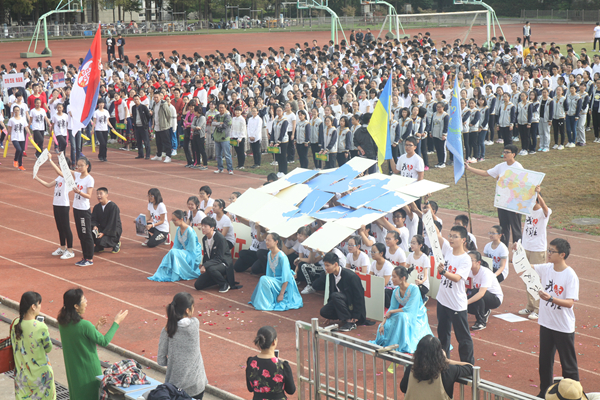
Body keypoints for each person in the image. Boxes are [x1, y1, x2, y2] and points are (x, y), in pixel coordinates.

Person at [58, 288, 128, 400]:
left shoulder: (62, 323)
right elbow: (104, 341)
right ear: (76, 306)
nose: (86, 302)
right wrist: (117, 322)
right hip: (89, 372)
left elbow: (80, 339)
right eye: (84, 299)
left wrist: (95, 329)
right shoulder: (85, 325)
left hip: (74, 373)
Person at [535, 238, 580, 398]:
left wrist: (550, 298)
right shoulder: (547, 268)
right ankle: (544, 392)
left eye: (551, 251)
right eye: (548, 250)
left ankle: (574, 394)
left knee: (568, 365)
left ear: (562, 255)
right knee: (545, 362)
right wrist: (516, 253)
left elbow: (569, 303)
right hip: (547, 323)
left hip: (563, 326)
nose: (548, 254)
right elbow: (526, 269)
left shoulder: (570, 276)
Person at [464, 144, 523, 247]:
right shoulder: (501, 166)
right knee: (503, 228)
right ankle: (503, 250)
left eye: (507, 152)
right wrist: (469, 168)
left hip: (514, 202)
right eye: (503, 152)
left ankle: (518, 253)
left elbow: (522, 185)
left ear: (513, 154)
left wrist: (519, 205)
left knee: (515, 229)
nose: (504, 154)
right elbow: (486, 173)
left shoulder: (518, 167)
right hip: (502, 201)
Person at [434, 223, 475, 364]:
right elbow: (437, 235)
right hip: (442, 300)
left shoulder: (466, 259)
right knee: (443, 334)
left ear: (463, 240)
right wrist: (427, 213)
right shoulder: (448, 250)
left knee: (463, 337)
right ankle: (443, 362)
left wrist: (443, 272)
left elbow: (457, 278)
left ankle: (468, 365)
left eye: (455, 236)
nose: (451, 239)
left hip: (456, 304)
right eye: (450, 236)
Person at [369, 267, 433, 353]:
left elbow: (409, 309)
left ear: (402, 278)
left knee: (402, 317)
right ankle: (394, 343)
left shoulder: (414, 289)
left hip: (417, 315)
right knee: (388, 323)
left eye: (394, 277)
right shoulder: (395, 291)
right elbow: (392, 308)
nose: (392, 279)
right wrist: (382, 324)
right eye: (392, 276)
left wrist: (391, 312)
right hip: (404, 313)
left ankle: (402, 343)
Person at [48, 154, 95, 267]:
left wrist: (79, 192)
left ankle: (89, 258)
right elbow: (62, 172)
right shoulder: (77, 175)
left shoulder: (90, 179)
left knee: (86, 234)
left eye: (81, 165)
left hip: (84, 210)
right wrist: (57, 159)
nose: (79, 167)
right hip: (76, 208)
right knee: (80, 234)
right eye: (78, 165)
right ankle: (84, 257)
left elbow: (89, 196)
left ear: (87, 166)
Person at [158, 292, 207, 399]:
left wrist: (173, 364)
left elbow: (161, 360)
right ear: (187, 310)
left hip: (175, 387)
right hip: (197, 384)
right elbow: (185, 323)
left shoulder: (167, 330)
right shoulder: (195, 324)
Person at [10, 291, 55, 400]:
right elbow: (48, 348)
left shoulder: (15, 323)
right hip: (41, 377)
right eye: (39, 304)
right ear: (33, 307)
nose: (40, 307)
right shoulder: (41, 327)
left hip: (22, 377)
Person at [400, 335, 473, 400]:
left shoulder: (411, 369)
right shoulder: (447, 370)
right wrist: (446, 360)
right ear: (439, 353)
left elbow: (403, 388)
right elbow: (470, 367)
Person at [518, 185, 552, 320]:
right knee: (527, 277)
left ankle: (538, 308)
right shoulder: (527, 211)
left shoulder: (545, 212)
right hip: (526, 247)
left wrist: (537, 194)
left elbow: (545, 208)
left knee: (536, 279)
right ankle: (530, 306)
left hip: (538, 249)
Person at [249, 232, 303, 311]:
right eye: (266, 240)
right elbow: (269, 272)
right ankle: (268, 300)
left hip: (283, 281)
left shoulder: (282, 256)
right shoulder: (269, 254)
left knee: (263, 279)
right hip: (275, 281)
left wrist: (281, 294)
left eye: (269, 240)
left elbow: (286, 276)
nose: (266, 242)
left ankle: (267, 303)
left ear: (276, 242)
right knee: (264, 279)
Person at [34, 157, 75, 260]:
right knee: (60, 227)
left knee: (66, 228)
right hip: (56, 204)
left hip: (64, 205)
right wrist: (37, 177)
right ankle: (62, 247)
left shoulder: (67, 176)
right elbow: (48, 185)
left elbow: (59, 172)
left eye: (60, 164)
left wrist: (50, 160)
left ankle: (70, 250)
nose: (58, 166)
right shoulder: (59, 178)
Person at [149, 210, 203, 282]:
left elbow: (192, 250)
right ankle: (168, 272)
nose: (173, 222)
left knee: (173, 252)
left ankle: (176, 273)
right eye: (172, 220)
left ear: (181, 219)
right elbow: (176, 246)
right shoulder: (178, 229)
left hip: (193, 255)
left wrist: (179, 252)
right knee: (171, 252)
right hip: (185, 252)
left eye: (175, 220)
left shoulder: (190, 231)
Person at [320, 252, 367, 332]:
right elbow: (331, 292)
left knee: (335, 295)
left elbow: (359, 296)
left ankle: (350, 322)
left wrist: (356, 315)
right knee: (324, 311)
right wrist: (329, 316)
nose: (326, 268)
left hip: (352, 305)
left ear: (335, 264)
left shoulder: (351, 276)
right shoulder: (331, 275)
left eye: (327, 265)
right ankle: (344, 317)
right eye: (325, 265)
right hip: (341, 302)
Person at [246, 326, 296, 399]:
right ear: (274, 342)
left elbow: (250, 388)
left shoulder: (251, 362)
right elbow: (291, 390)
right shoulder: (282, 365)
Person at [194, 217, 235, 293]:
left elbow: (219, 258)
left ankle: (224, 284)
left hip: (223, 263)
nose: (202, 228)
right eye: (202, 225)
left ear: (212, 228)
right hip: (212, 264)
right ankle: (218, 280)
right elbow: (206, 256)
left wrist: (205, 266)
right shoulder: (204, 239)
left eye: (205, 226)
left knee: (211, 269)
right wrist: (204, 265)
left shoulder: (220, 238)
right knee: (198, 285)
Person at [466, 251, 503, 331]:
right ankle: (485, 311)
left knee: (476, 292)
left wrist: (466, 302)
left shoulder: (485, 273)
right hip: (479, 295)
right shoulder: (468, 271)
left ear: (478, 262)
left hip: (494, 299)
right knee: (462, 303)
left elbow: (481, 293)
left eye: (470, 260)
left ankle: (481, 322)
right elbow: (465, 288)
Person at [90, 187, 122, 254]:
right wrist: (94, 226)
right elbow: (93, 219)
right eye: (97, 194)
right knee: (89, 230)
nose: (99, 196)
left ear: (107, 195)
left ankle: (115, 243)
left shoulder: (113, 207)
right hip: (102, 228)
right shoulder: (97, 207)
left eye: (101, 194)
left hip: (112, 230)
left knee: (102, 241)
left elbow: (112, 222)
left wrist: (104, 233)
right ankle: (99, 247)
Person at [407, 235, 431, 303]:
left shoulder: (425, 258)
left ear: (420, 245)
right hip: (412, 282)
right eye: (411, 243)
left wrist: (421, 281)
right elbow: (406, 267)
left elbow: (426, 276)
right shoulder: (410, 255)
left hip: (422, 284)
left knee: (413, 298)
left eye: (414, 243)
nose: (411, 245)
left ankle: (423, 297)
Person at [151, 91, 172, 162]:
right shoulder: (154, 104)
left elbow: (168, 115)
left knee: (166, 142)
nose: (156, 98)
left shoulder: (164, 104)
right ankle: (159, 155)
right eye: (154, 97)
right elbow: (154, 115)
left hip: (164, 126)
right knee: (158, 142)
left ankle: (168, 156)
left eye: (157, 97)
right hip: (157, 126)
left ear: (160, 97)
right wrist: (153, 123)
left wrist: (167, 124)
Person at [7, 105, 30, 171]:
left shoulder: (23, 119)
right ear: (13, 111)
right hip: (14, 137)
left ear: (19, 111)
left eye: (18, 110)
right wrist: (8, 136)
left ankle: (20, 165)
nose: (16, 112)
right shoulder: (11, 120)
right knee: (19, 149)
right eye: (15, 110)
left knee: (21, 152)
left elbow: (26, 127)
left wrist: (30, 134)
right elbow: (9, 129)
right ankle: (15, 160)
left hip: (22, 138)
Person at [213, 102, 234, 174]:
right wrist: (220, 123)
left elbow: (225, 125)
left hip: (225, 137)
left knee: (227, 154)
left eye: (222, 107)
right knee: (218, 154)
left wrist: (218, 123)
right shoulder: (217, 116)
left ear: (225, 108)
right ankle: (220, 168)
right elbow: (213, 123)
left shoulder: (228, 116)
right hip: (217, 137)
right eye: (220, 107)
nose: (221, 109)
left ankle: (230, 169)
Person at [131, 94, 152, 159]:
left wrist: (145, 123)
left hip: (143, 127)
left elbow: (148, 116)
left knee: (146, 141)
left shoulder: (143, 107)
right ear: (133, 100)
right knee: (139, 141)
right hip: (137, 126)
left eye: (137, 99)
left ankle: (148, 155)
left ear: (139, 99)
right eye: (135, 99)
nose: (136, 100)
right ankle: (140, 154)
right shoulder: (133, 107)